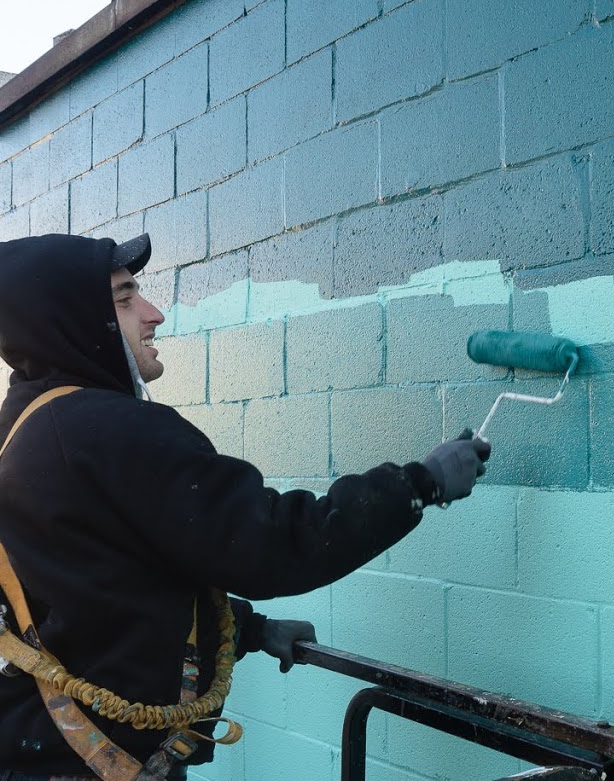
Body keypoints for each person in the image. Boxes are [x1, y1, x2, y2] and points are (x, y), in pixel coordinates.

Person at [0, 233, 491, 780]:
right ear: (71, 317)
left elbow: (103, 588)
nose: (153, 313)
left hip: (43, 753)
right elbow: (272, 542)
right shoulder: (104, 430)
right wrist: (420, 483)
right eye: (124, 297)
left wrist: (248, 629)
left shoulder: (26, 431)